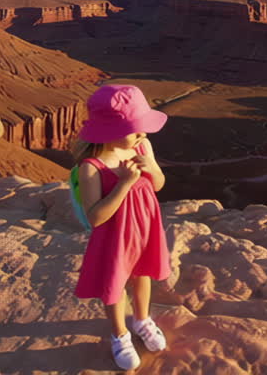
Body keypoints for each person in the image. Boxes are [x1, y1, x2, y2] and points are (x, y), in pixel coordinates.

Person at [72, 83, 172, 371]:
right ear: (110, 132)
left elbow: (159, 184)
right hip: (113, 236)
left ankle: (142, 320)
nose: (143, 133)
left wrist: (151, 168)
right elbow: (96, 217)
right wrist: (125, 183)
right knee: (114, 285)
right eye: (136, 128)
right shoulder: (91, 167)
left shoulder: (143, 146)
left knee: (143, 275)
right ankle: (120, 335)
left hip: (144, 228)